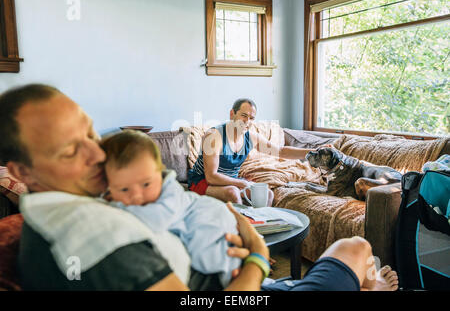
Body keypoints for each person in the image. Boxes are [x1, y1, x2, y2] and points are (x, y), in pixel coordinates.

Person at [0, 84, 398, 291]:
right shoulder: (96, 237)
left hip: (219, 266)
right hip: (210, 188)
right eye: (71, 150)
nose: (97, 153)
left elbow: (279, 148)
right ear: (21, 170)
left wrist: (313, 155)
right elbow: (212, 175)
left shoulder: (80, 206)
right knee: (358, 249)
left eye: (90, 132)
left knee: (261, 196)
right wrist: (258, 255)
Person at [100, 129, 241, 287]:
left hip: (208, 218)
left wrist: (119, 205)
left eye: (146, 184)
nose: (137, 196)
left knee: (208, 260)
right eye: (124, 189)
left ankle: (233, 274)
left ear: (159, 173)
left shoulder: (169, 192)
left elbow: (157, 221)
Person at [188, 98, 325, 206]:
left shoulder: (251, 137)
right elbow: (211, 177)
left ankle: (261, 228)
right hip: (202, 181)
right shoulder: (214, 136)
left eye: (251, 118)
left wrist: (315, 152)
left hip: (230, 181)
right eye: (243, 116)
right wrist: (242, 183)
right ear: (232, 114)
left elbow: (281, 151)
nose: (247, 121)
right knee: (233, 193)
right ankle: (243, 236)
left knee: (268, 194)